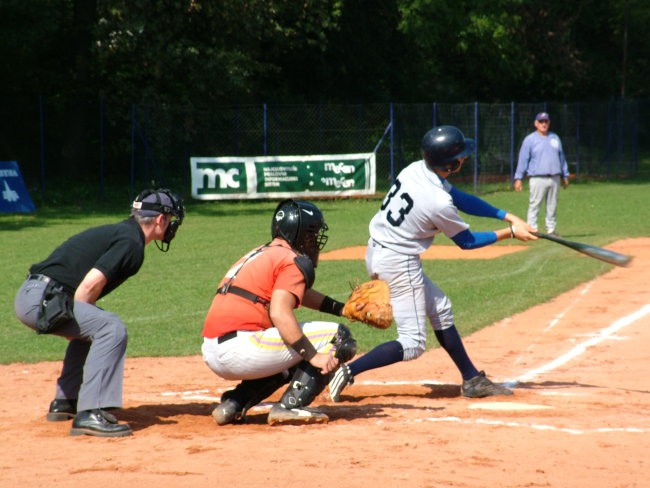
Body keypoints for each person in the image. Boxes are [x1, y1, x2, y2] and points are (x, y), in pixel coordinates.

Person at [329, 125, 538, 402]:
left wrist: (507, 215)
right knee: (412, 343)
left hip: (379, 250)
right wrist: (510, 233)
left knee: (441, 308)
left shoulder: (416, 169)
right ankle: (347, 371)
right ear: (450, 164)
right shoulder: (437, 202)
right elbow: (468, 241)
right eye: (461, 156)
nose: (464, 159)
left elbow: (461, 198)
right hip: (399, 261)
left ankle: (472, 379)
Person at [14, 188, 185, 437]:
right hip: (43, 299)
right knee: (110, 327)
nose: (171, 227)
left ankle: (66, 401)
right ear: (160, 219)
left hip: (35, 295)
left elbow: (86, 294)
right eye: (170, 220)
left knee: (95, 324)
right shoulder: (131, 242)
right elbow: (89, 286)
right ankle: (91, 412)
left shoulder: (125, 233)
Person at [202, 199, 357, 426]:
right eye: (312, 233)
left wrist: (341, 308)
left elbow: (297, 293)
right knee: (339, 338)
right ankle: (290, 406)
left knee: (296, 345)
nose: (314, 240)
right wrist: (314, 357)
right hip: (244, 348)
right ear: (301, 233)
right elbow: (279, 312)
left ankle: (234, 402)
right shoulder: (292, 260)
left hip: (213, 350)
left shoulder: (263, 252)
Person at [513, 112, 570, 237]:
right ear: (536, 123)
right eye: (541, 121)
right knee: (535, 204)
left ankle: (551, 230)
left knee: (552, 205)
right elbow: (523, 159)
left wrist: (565, 175)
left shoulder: (554, 137)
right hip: (538, 177)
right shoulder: (530, 139)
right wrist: (518, 178)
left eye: (546, 121)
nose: (544, 124)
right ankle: (532, 229)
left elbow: (561, 157)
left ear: (549, 123)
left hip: (555, 176)